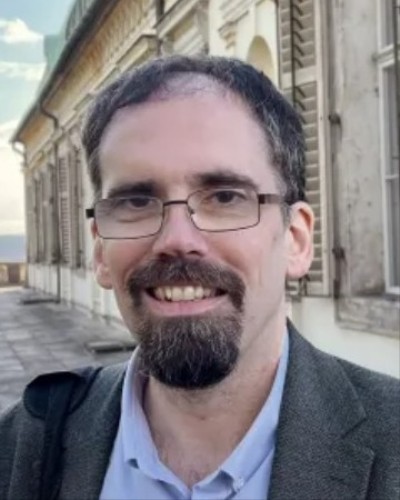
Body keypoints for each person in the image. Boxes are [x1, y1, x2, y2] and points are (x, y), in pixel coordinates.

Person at [0, 55, 399, 500]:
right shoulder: (25, 445)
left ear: (296, 240)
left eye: (225, 197)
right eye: (136, 202)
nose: (177, 240)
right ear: (100, 250)